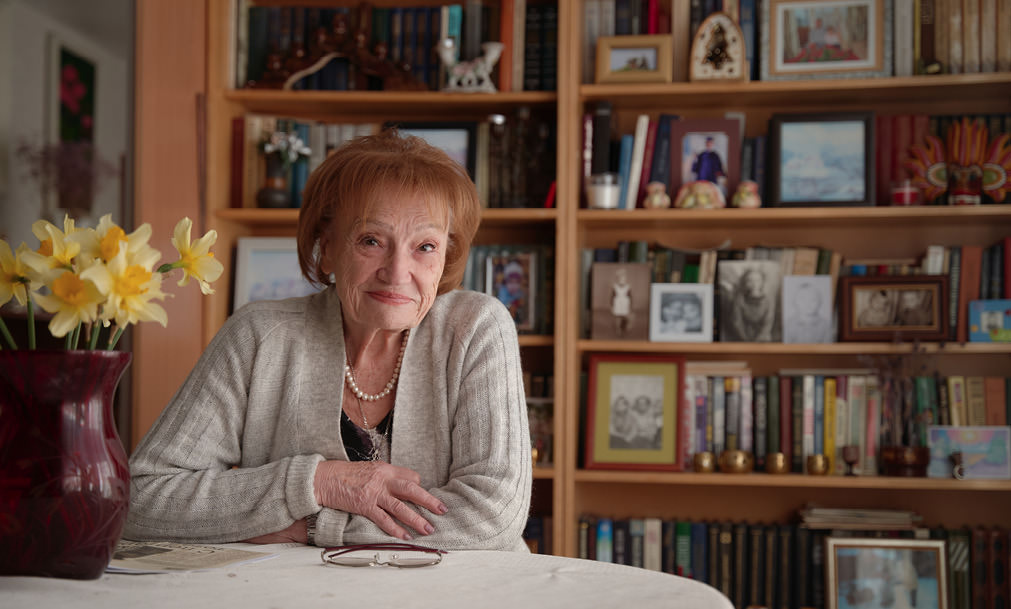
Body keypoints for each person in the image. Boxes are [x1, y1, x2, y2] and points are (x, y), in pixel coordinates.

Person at [124, 130, 532, 551]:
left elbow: (492, 519)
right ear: (328, 246)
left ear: (446, 255)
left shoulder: (476, 328)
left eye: (424, 246)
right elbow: (142, 499)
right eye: (371, 240)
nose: (397, 272)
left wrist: (316, 528)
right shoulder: (259, 337)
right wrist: (317, 482)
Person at [726, 268, 775, 341]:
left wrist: (758, 339)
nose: (754, 283)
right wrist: (746, 339)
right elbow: (737, 322)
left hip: (763, 339)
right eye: (750, 280)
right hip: (742, 337)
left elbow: (768, 323)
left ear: (762, 281)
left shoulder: (767, 301)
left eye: (757, 280)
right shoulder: (739, 299)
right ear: (745, 282)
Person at [611, 267, 633, 337]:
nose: (622, 280)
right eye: (620, 278)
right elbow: (612, 296)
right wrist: (611, 305)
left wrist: (630, 305)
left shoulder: (628, 287)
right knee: (618, 316)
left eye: (623, 278)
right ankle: (618, 329)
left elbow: (630, 296)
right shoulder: (615, 287)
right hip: (617, 303)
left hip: (625, 303)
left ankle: (624, 327)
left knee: (625, 316)